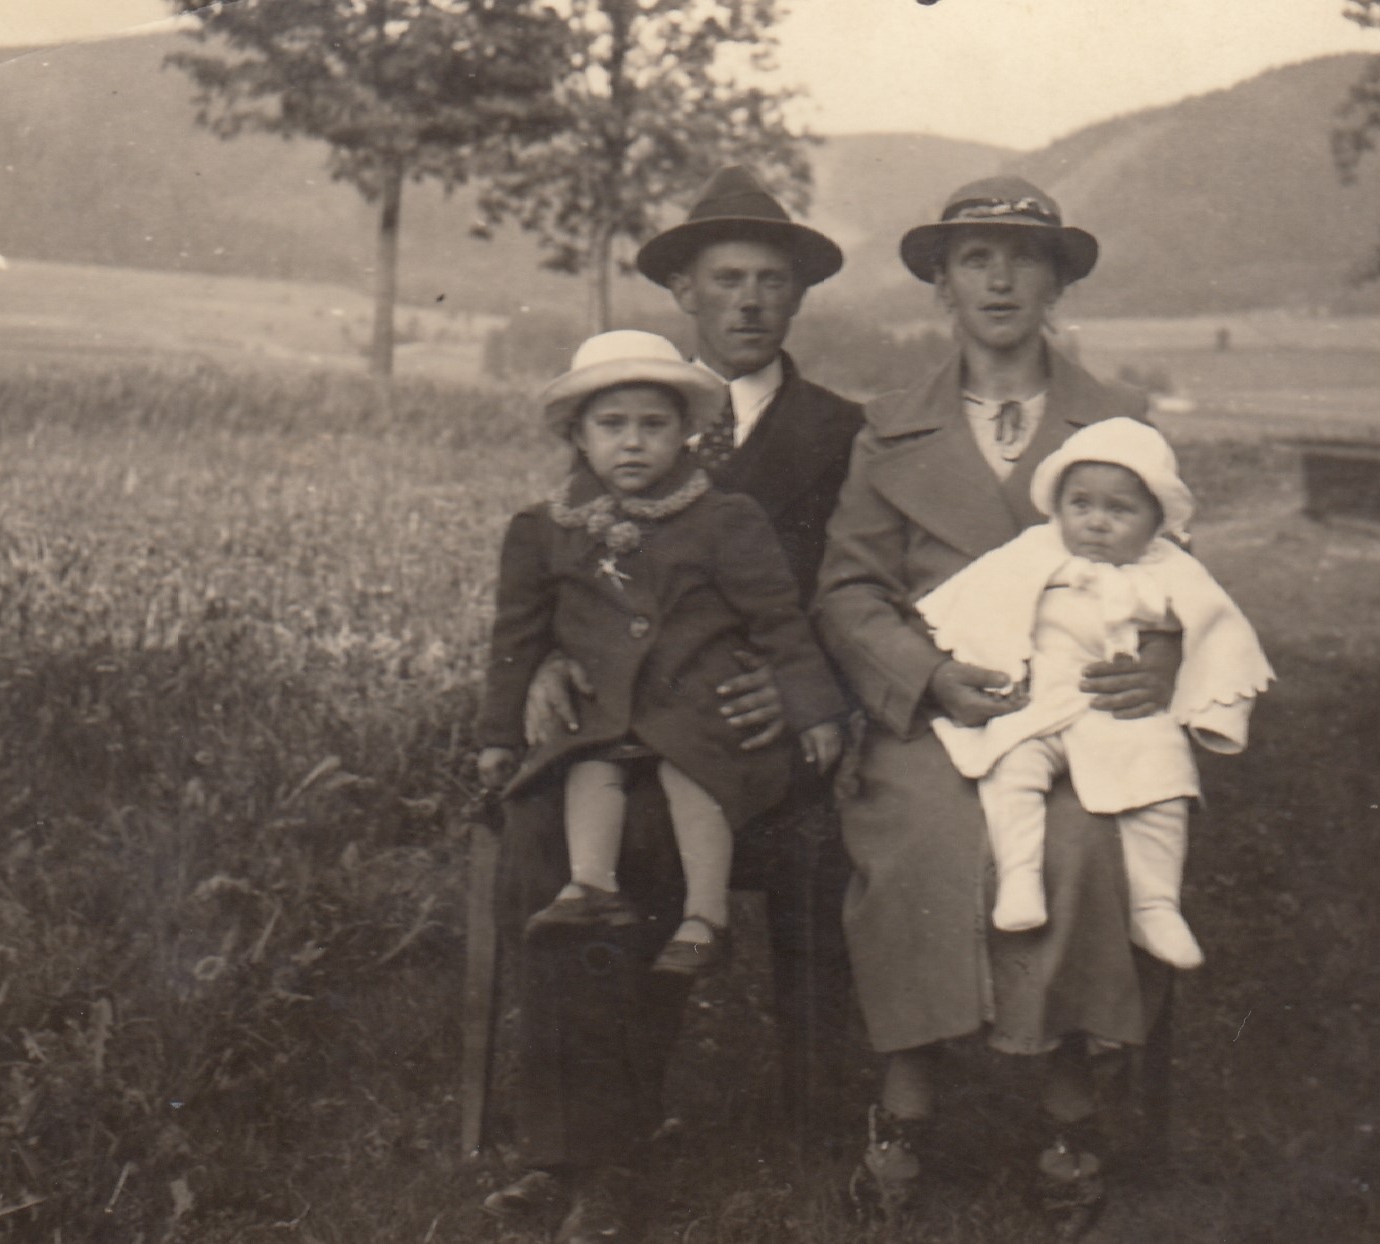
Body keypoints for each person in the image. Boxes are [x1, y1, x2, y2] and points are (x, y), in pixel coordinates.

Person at [478, 167, 865, 1244]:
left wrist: (808, 687)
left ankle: (610, 1151)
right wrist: (545, 665)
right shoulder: (625, 414)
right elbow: (563, 573)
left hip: (753, 727)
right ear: (683, 291)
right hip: (620, 718)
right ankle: (579, 1150)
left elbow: (866, 584)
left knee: (642, 830)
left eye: (772, 280)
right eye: (726, 279)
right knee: (553, 836)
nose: (750, 300)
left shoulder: (843, 432)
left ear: (800, 296)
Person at [811, 175, 1186, 1228]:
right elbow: (849, 591)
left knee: (1079, 838)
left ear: (1058, 280)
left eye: (1026, 258)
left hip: (1082, 710)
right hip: (940, 711)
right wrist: (927, 676)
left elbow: (1177, 576)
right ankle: (906, 1105)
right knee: (924, 836)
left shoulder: (1118, 423)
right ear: (942, 282)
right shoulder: (892, 430)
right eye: (975, 258)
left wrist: (1159, 661)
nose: (1001, 279)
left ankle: (1067, 1110)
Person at [478, 329, 846, 977]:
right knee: (589, 765)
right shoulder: (544, 529)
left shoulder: (724, 518)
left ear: (685, 435)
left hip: (695, 702)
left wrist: (814, 709)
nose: (632, 442)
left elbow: (776, 620)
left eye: (654, 426)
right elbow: (517, 638)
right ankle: (590, 887)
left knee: (693, 774)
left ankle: (705, 919)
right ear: (578, 435)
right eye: (612, 425)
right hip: (601, 708)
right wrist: (499, 735)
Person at [916, 416, 1274, 953]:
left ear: (1156, 520)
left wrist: (1199, 686)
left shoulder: (1170, 567)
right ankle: (1019, 879)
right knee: (1012, 770)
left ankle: (1155, 905)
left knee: (1164, 780)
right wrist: (991, 667)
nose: (1096, 523)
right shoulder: (1034, 550)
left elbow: (1218, 630)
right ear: (1058, 506)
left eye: (1120, 510)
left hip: (1117, 705)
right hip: (1038, 700)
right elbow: (976, 603)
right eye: (1080, 505)